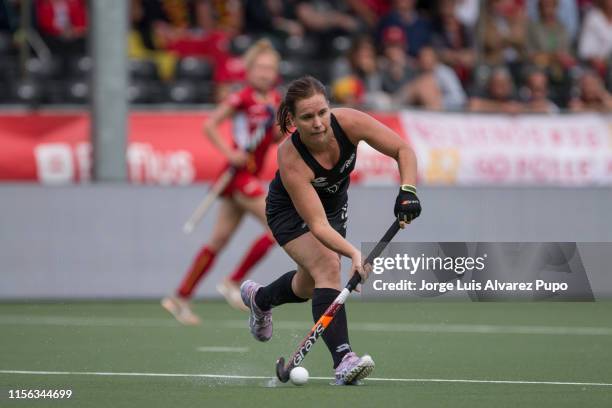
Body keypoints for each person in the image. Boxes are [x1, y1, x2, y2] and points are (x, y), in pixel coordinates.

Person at [239, 76, 422, 385]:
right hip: (289, 212)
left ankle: (261, 299)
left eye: (322, 112)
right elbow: (317, 225)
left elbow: (403, 150)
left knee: (309, 284)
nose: (319, 123)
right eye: (307, 117)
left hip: (334, 206)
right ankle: (344, 360)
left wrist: (407, 191)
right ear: (292, 119)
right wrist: (353, 253)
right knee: (327, 266)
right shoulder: (291, 156)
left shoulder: (349, 121)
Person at [162, 39, 282, 324]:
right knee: (277, 225)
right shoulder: (242, 98)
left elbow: (274, 138)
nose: (265, 73)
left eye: (270, 68)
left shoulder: (276, 101)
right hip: (237, 174)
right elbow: (210, 125)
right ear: (250, 70)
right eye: (260, 67)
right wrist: (231, 153)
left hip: (250, 175)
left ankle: (180, 297)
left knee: (219, 239)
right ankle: (234, 281)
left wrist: (280, 130)